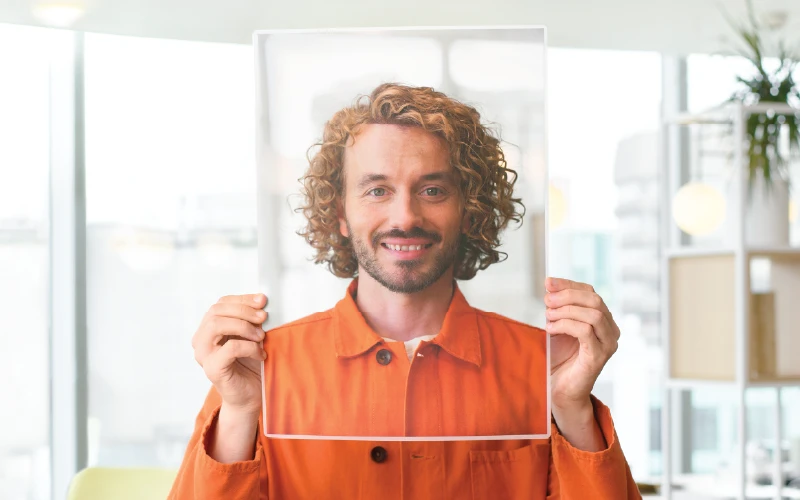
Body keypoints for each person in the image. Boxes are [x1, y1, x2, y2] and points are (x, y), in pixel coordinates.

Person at [170, 83, 640, 499]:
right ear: (339, 212)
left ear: (470, 209)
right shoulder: (260, 371)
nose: (404, 217)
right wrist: (238, 414)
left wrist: (572, 408)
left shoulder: (542, 368)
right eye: (377, 190)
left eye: (432, 190)